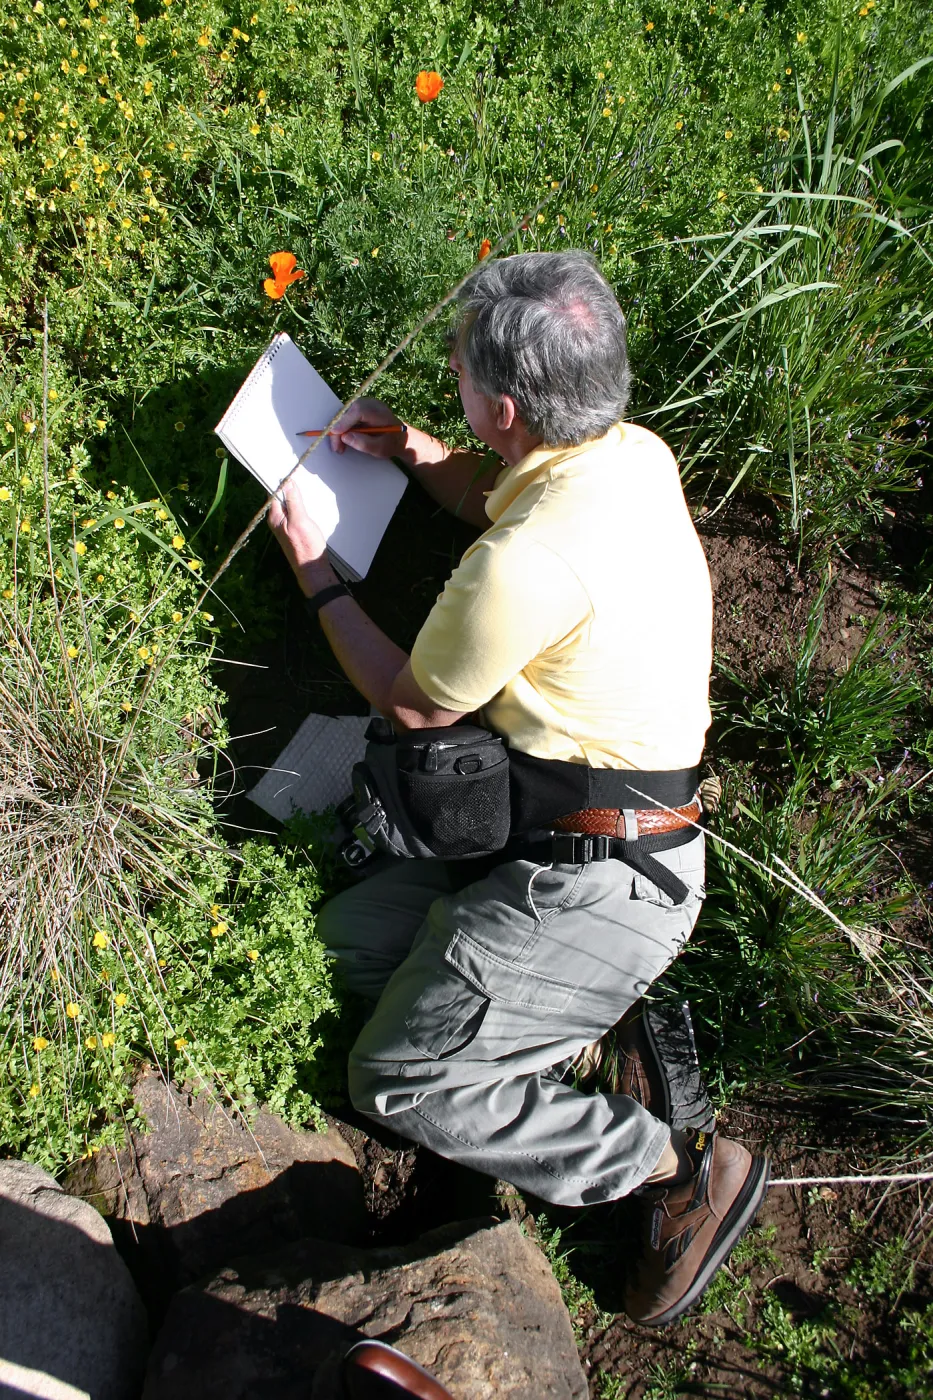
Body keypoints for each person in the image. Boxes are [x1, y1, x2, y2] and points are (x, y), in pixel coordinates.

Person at [268, 250, 769, 1327]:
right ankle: (563, 1035)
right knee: (353, 939)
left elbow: (411, 704)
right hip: (578, 835)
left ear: (501, 404)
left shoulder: (527, 561)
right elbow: (491, 493)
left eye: (455, 367)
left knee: (397, 1079)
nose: (447, 372)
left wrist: (317, 568)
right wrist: (409, 450)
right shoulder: (628, 454)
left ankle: (664, 1168)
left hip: (604, 880)